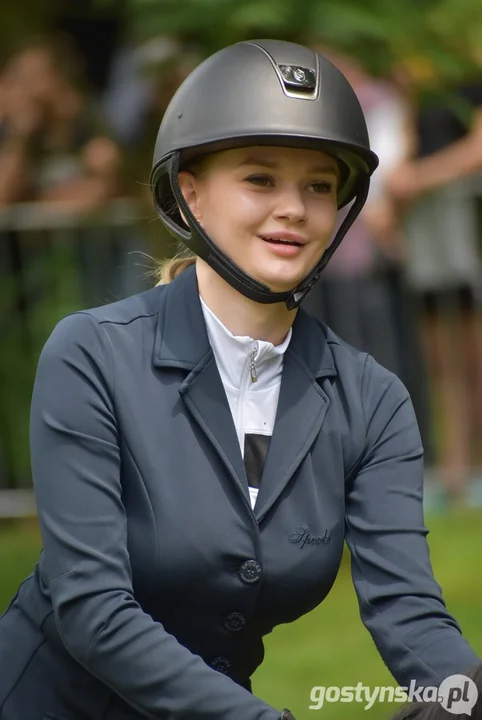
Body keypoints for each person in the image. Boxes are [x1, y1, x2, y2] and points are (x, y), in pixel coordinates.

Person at [0, 40, 479, 720]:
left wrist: (464, 698)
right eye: (260, 179)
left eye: (319, 185)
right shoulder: (91, 356)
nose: (294, 208)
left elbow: (409, 613)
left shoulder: (374, 402)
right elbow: (93, 609)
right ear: (190, 191)